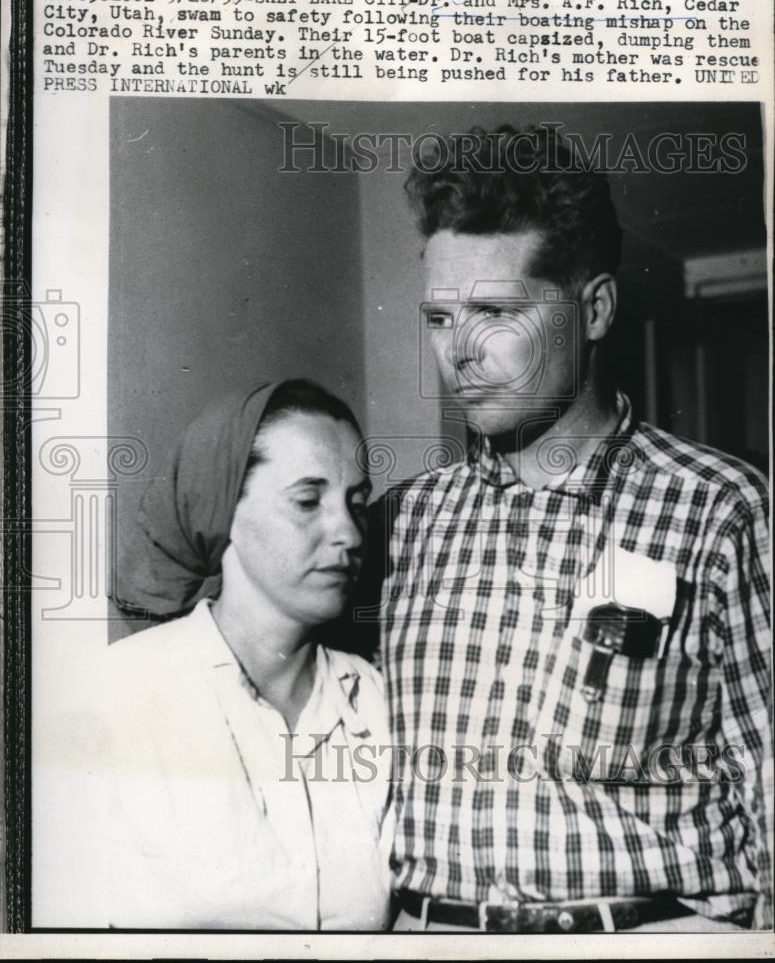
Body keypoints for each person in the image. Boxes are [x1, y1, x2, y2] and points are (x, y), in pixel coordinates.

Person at [365, 124, 772, 933]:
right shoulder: (399, 524)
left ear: (593, 310)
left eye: (493, 312)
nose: (460, 355)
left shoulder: (720, 510)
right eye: (440, 318)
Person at [106, 379, 393, 930]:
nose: (350, 533)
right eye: (308, 501)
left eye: (356, 503)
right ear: (220, 509)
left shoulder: (375, 702)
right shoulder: (123, 692)